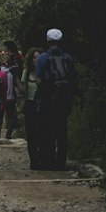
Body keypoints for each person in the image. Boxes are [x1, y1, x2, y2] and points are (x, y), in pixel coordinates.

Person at [35, 27, 76, 171]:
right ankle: (61, 162)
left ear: (48, 41)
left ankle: (48, 160)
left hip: (47, 100)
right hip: (63, 100)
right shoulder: (68, 58)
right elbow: (72, 79)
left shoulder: (42, 58)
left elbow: (38, 79)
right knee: (62, 131)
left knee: (47, 131)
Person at [21, 47, 43, 169]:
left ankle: (41, 158)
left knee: (41, 132)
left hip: (42, 104)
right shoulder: (27, 72)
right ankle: (33, 160)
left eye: (39, 57)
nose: (37, 59)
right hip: (30, 104)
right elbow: (23, 89)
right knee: (31, 134)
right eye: (34, 57)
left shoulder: (44, 71)